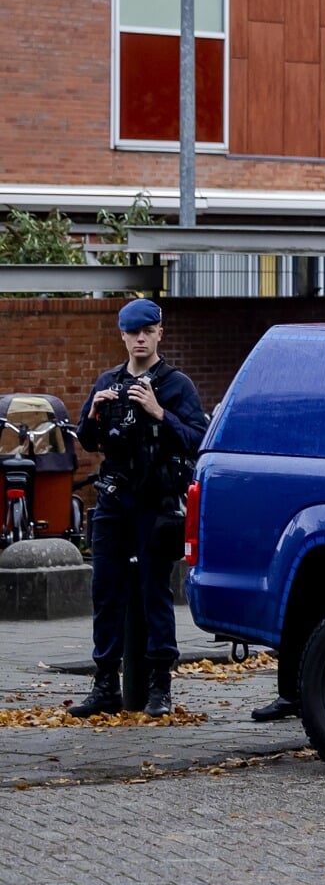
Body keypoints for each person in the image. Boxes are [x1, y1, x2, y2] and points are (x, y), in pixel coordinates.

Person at [68, 299, 209, 719]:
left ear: (160, 333)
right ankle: (106, 683)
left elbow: (197, 440)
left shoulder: (175, 385)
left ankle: (159, 686)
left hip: (156, 502)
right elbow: (88, 441)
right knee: (106, 591)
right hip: (115, 499)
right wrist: (94, 414)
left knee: (154, 591)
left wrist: (157, 412)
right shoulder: (108, 379)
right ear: (123, 336)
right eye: (134, 332)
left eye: (149, 330)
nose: (141, 338)